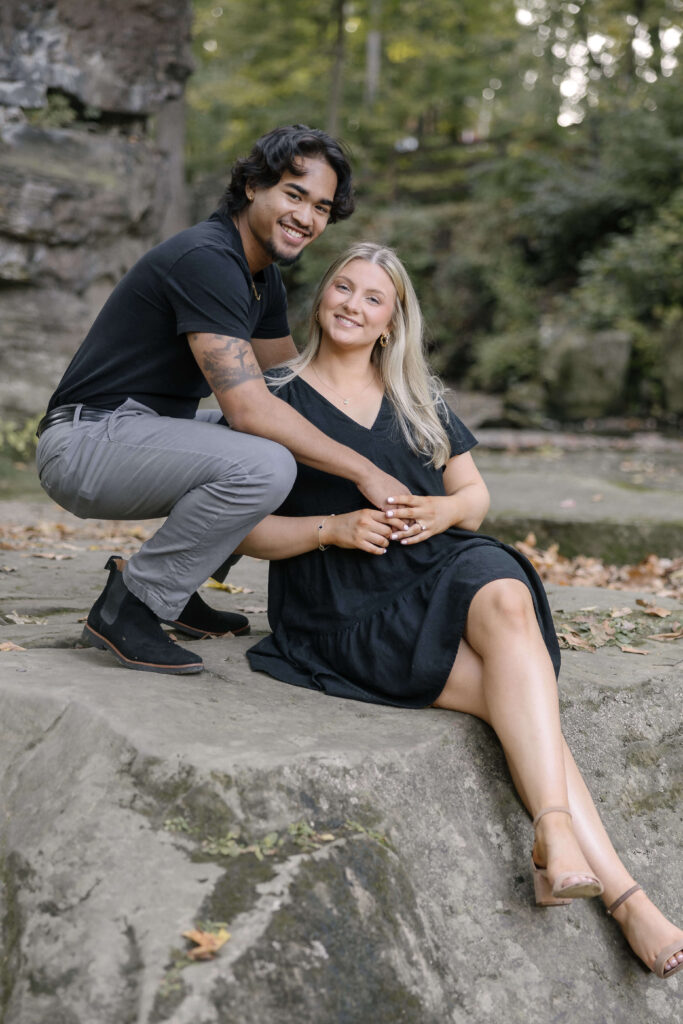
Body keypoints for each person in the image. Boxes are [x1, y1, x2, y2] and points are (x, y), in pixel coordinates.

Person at [236, 241, 683, 980]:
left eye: (371, 298)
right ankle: (621, 891)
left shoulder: (416, 396)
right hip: (342, 608)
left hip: (434, 568)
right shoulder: (272, 397)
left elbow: (474, 500)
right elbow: (244, 532)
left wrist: (443, 511)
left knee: (503, 586)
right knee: (514, 704)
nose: (351, 304)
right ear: (322, 299)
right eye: (341, 288)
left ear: (391, 319)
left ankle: (558, 838)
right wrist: (331, 528)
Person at [35, 125, 410, 676]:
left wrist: (394, 439)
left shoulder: (263, 279)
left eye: (322, 207)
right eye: (294, 194)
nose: (307, 218)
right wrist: (365, 472)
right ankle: (131, 605)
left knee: (295, 441)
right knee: (267, 459)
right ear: (253, 186)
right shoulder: (208, 260)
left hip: (142, 433)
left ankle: (175, 588)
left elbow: (293, 392)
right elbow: (251, 410)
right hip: (85, 442)